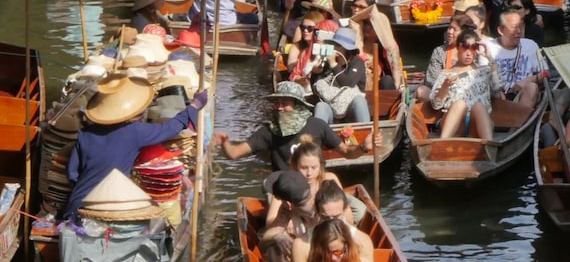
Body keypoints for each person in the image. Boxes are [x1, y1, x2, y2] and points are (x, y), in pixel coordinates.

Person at [64, 73, 207, 219]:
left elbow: (72, 174)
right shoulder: (134, 132)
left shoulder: (86, 133)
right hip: (107, 205)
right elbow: (169, 128)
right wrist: (194, 106)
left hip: (77, 202)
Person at [213, 81, 374, 171]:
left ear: (297, 105)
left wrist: (363, 148)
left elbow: (346, 152)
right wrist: (225, 142)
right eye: (277, 103)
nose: (280, 107)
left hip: (315, 184)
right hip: (284, 187)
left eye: (285, 103)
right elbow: (234, 154)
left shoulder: (317, 125)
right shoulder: (268, 132)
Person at [431, 29, 500, 140]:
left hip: (477, 123)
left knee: (478, 106)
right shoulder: (446, 74)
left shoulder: (486, 70)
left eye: (473, 47)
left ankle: (489, 146)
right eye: (465, 47)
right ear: (458, 48)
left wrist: (489, 58)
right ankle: (442, 143)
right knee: (460, 104)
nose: (469, 53)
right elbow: (436, 105)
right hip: (453, 122)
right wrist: (445, 86)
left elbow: (497, 89)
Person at [292, 182, 374, 262]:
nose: (331, 222)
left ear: (345, 210)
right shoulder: (302, 245)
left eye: (336, 217)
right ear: (317, 211)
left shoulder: (362, 241)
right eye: (325, 217)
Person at [311, 27, 371, 125]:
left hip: (352, 110)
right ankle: (319, 135)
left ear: (346, 48)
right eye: (333, 44)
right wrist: (315, 73)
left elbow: (348, 83)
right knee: (321, 106)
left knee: (359, 100)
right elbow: (316, 88)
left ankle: (366, 133)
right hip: (331, 107)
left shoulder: (357, 62)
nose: (334, 47)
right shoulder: (327, 63)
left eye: (337, 45)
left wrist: (334, 65)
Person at [486, 9, 542, 109]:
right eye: (513, 28)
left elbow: (546, 73)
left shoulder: (530, 45)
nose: (519, 31)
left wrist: (528, 80)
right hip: (496, 97)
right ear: (501, 30)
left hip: (521, 95)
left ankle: (519, 122)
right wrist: (497, 92)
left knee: (532, 87)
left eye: (520, 27)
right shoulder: (488, 47)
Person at [417, 14, 476, 102]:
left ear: (464, 33)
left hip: (467, 91)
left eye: (454, 29)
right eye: (449, 28)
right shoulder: (439, 51)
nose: (450, 32)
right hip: (443, 92)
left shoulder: (475, 49)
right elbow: (431, 80)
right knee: (421, 91)